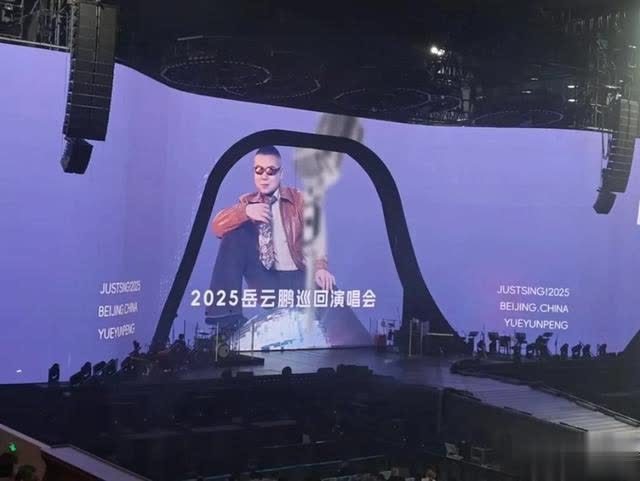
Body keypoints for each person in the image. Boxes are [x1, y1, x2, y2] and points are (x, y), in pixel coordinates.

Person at [205, 145, 370, 345]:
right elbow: (217, 226)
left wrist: (321, 267)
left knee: (329, 293)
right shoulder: (246, 202)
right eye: (259, 170)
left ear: (281, 173)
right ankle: (226, 318)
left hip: (298, 278)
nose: (264, 176)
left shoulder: (300, 200)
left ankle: (356, 348)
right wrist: (245, 212)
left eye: (271, 171)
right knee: (233, 234)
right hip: (267, 280)